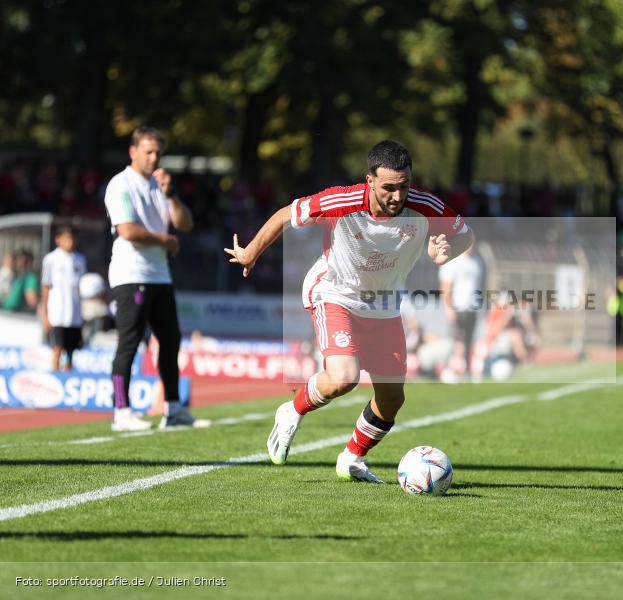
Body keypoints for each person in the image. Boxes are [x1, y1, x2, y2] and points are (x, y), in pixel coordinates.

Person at [225, 139, 474, 483]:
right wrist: (252, 252)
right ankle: (292, 410)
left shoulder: (426, 205)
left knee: (391, 401)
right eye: (388, 188)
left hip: (384, 306)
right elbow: (286, 214)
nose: (397, 197)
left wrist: (448, 250)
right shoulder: (341, 200)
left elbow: (465, 235)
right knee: (344, 377)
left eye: (404, 187)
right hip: (335, 293)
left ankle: (352, 458)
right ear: (369, 180)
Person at [104, 126, 209, 432]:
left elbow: (184, 223)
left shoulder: (158, 186)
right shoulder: (120, 184)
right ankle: (121, 412)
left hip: (159, 275)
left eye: (157, 153)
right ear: (133, 151)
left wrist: (171, 195)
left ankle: (173, 409)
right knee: (129, 342)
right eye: (147, 151)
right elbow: (127, 230)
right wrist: (165, 240)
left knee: (170, 340)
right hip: (131, 273)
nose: (153, 158)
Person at [39, 226, 87, 371]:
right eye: (66, 239)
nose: (69, 242)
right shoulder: (51, 259)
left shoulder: (80, 259)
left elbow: (82, 287)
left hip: (74, 313)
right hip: (57, 313)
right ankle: (55, 373)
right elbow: (46, 287)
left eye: (72, 239)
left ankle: (67, 373)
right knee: (57, 347)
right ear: (58, 240)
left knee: (71, 350)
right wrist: (45, 314)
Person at [438, 243, 483, 377]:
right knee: (454, 341)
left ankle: (467, 370)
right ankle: (449, 370)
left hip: (472, 307)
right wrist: (449, 308)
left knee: (469, 341)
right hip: (458, 307)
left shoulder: (477, 261)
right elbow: (445, 285)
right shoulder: (453, 261)